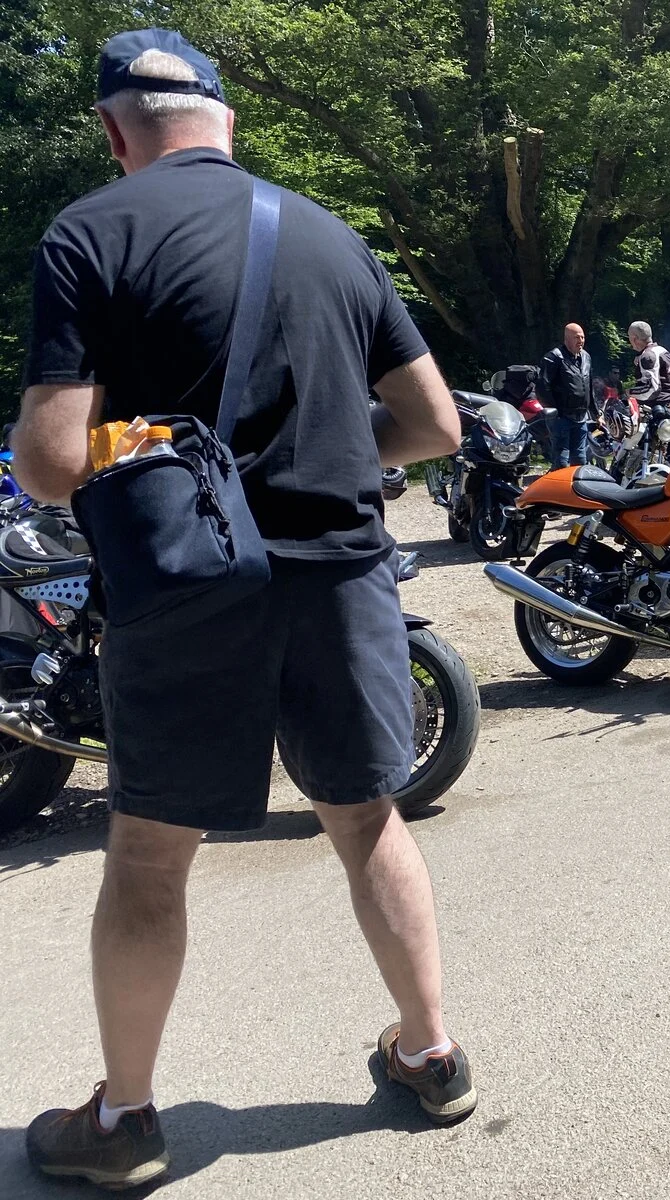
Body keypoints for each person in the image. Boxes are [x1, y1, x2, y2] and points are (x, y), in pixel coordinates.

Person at [15, 29, 474, 1189]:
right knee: (366, 817)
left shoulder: (90, 233)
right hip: (343, 573)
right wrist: (328, 451)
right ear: (227, 122)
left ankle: (125, 1122)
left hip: (187, 584)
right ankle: (431, 1055)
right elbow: (434, 427)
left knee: (149, 853)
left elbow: (51, 463)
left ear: (114, 132)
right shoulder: (329, 233)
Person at [538, 322, 592, 467]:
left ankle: (575, 483)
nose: (580, 341)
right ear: (566, 339)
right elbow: (542, 387)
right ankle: (556, 482)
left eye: (582, 337)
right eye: (576, 337)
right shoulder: (554, 357)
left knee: (580, 460)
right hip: (561, 418)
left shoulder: (586, 357)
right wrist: (554, 411)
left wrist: (596, 413)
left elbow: (589, 386)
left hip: (581, 417)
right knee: (561, 460)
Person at [627, 320, 670, 413]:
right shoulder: (662, 351)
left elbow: (652, 389)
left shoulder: (647, 356)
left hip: (657, 411)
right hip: (669, 408)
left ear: (634, 338)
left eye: (629, 337)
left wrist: (628, 393)